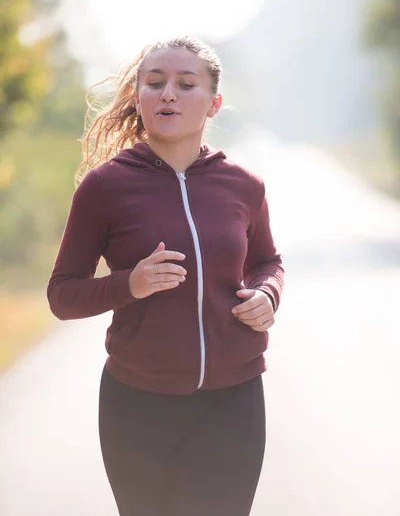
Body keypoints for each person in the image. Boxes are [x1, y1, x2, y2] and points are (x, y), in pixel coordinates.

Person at [47, 36, 284, 516]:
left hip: (233, 402)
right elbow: (62, 294)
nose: (168, 93)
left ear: (213, 104)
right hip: (137, 406)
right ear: (139, 99)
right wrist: (128, 285)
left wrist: (268, 294)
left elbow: (268, 261)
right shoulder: (104, 187)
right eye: (154, 83)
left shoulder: (243, 185)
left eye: (185, 83)